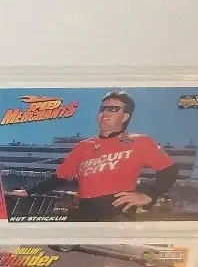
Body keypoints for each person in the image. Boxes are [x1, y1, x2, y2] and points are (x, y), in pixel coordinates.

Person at [12, 91, 178, 221]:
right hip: (84, 213)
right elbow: (59, 178)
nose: (106, 113)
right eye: (103, 109)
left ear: (125, 116)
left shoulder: (140, 141)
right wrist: (28, 191)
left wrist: (149, 195)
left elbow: (169, 169)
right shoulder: (82, 147)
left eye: (114, 109)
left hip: (117, 215)